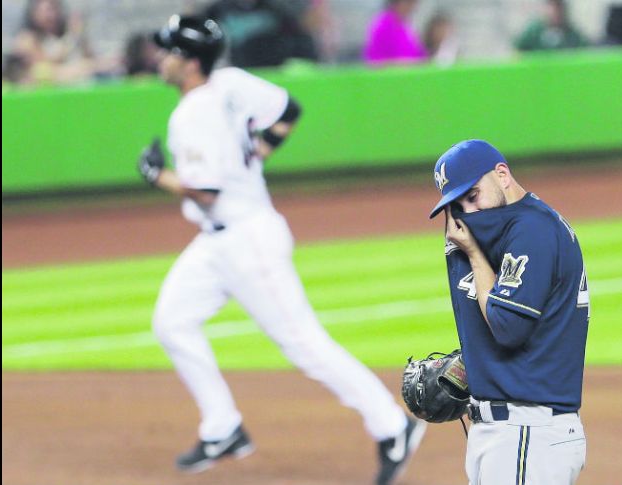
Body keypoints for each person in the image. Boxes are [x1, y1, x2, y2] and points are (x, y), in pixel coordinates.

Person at [136, 14, 426, 485]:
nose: (161, 59)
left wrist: (157, 177)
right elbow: (289, 110)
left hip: (248, 242)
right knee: (171, 322)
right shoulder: (230, 82)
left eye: (169, 52)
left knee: (305, 345)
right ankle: (223, 427)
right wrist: (255, 153)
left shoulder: (190, 114)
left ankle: (393, 426)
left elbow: (206, 190)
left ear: (189, 63)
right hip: (218, 243)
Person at [428, 140, 589, 484]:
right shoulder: (510, 228)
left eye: (473, 196)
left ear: (502, 175)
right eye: (456, 205)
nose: (468, 213)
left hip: (527, 432)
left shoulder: (533, 229)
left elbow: (508, 327)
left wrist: (472, 253)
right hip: (510, 432)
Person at [202, 0, 318, 68]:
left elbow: (300, 42)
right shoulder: (216, 11)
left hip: (273, 72)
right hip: (236, 71)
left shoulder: (275, 10)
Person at [11, 0, 99, 85]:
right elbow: (46, 65)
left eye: (53, 9)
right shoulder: (26, 38)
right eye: (45, 10)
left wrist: (79, 35)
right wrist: (72, 36)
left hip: (71, 77)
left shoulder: (63, 34)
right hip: (45, 80)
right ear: (33, 12)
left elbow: (89, 56)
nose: (49, 15)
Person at [363, 0, 427, 65]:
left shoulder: (405, 26)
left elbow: (418, 55)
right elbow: (375, 62)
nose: (412, 8)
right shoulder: (382, 26)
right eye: (408, 3)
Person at [514, 0, 589, 52]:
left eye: (558, 7)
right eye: (552, 6)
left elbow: (585, 51)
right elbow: (517, 51)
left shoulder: (572, 34)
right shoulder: (534, 31)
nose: (555, 11)